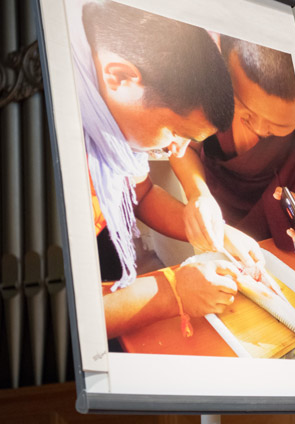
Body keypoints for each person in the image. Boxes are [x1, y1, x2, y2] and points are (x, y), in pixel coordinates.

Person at [72, 0, 260, 337]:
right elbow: (74, 312)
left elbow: (140, 194)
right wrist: (173, 292)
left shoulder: (114, 132)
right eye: (176, 132)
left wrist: (215, 233)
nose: (177, 150)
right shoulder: (69, 150)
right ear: (121, 77)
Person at [170, 36, 295, 254]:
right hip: (224, 221)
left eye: (278, 125)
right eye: (245, 110)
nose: (259, 128)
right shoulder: (211, 89)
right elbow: (185, 148)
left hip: (292, 236)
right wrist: (198, 193)